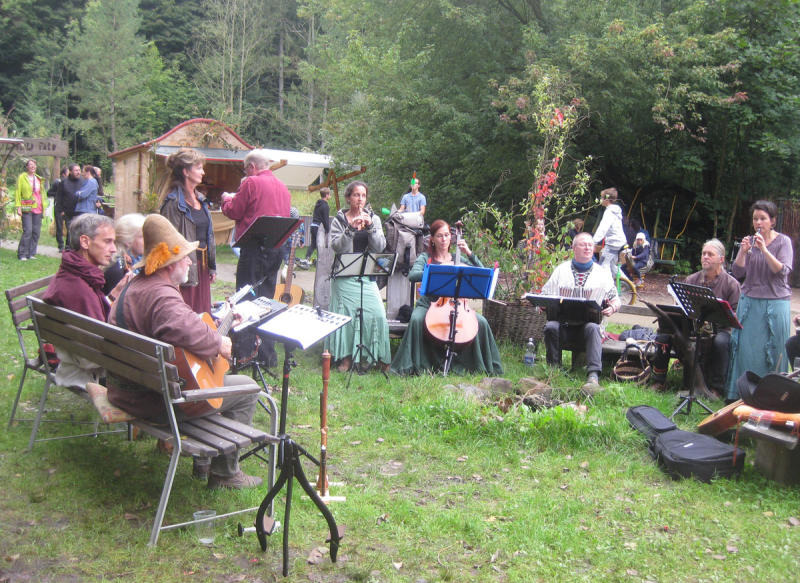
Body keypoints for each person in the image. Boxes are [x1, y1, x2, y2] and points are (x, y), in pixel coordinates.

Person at [107, 214, 262, 490]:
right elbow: (195, 333)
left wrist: (213, 328)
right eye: (185, 257)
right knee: (247, 388)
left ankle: (206, 464)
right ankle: (225, 473)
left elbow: (183, 326)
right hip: (154, 402)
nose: (190, 262)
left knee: (207, 380)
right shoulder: (161, 296)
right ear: (169, 263)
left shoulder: (136, 284)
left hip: (128, 388)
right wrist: (220, 343)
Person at [391, 219, 503, 376]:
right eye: (439, 236)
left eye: (446, 235)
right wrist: (437, 270)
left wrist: (469, 254)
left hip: (457, 303)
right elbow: (412, 275)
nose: (443, 239)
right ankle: (411, 365)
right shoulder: (426, 258)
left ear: (451, 238)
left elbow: (483, 272)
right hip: (429, 304)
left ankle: (483, 365)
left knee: (482, 322)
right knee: (416, 320)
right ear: (433, 239)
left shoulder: (458, 259)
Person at [649, 239, 740, 396]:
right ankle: (659, 380)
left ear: (721, 259)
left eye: (710, 254)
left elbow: (736, 315)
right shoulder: (691, 279)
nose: (705, 257)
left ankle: (716, 388)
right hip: (691, 327)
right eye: (703, 254)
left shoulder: (731, 284)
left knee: (721, 342)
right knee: (664, 335)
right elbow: (679, 307)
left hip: (720, 330)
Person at [727, 200, 793, 401]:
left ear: (772, 221)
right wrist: (743, 251)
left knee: (772, 351)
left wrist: (764, 250)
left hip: (775, 303)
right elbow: (737, 272)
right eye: (755, 218)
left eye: (763, 218)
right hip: (750, 302)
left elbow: (781, 271)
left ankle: (772, 397)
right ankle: (741, 394)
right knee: (745, 351)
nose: (758, 222)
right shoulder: (750, 242)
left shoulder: (783, 242)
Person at [42, 214, 116, 388]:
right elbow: (92, 355)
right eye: (107, 241)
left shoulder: (73, 273)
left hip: (77, 356)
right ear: (85, 242)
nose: (113, 249)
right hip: (90, 364)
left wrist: (113, 297)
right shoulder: (79, 288)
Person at [541, 231, 621, 392]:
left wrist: (612, 308)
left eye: (590, 245)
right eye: (583, 244)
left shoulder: (602, 274)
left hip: (588, 329)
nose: (587, 248)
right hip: (563, 326)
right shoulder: (561, 270)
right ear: (574, 248)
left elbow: (616, 299)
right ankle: (554, 371)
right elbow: (544, 294)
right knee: (550, 326)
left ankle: (593, 376)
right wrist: (542, 304)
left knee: (593, 328)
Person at [327, 181, 391, 373]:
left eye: (363, 195)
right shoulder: (339, 220)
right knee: (347, 316)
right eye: (356, 195)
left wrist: (370, 228)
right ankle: (346, 358)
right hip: (344, 276)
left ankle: (376, 355)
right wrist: (351, 230)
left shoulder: (375, 219)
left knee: (378, 313)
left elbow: (380, 247)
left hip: (367, 275)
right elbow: (338, 247)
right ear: (348, 198)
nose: (360, 199)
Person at [221, 149, 291, 300]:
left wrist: (226, 199)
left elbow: (234, 211)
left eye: (245, 169)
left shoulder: (251, 182)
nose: (245, 173)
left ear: (251, 166)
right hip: (276, 249)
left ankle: (247, 324)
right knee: (266, 295)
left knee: (246, 295)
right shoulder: (283, 187)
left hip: (254, 248)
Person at [160, 148, 217, 314]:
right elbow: (168, 243)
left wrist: (211, 267)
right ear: (185, 172)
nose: (203, 172)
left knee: (203, 315)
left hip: (202, 267)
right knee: (186, 315)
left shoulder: (201, 200)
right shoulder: (173, 203)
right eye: (198, 168)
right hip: (183, 269)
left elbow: (208, 236)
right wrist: (174, 276)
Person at [103, 213, 146, 298]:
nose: (148, 240)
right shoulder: (118, 269)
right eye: (142, 236)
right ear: (128, 240)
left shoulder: (131, 260)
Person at [15, 159, 47, 261]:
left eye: (34, 165)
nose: (33, 167)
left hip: (38, 208)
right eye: (31, 165)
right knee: (28, 230)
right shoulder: (22, 177)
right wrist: (18, 207)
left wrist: (44, 207)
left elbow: (42, 194)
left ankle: (31, 253)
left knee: (36, 232)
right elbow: (17, 192)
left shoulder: (38, 179)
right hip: (27, 206)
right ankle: (22, 254)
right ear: (27, 167)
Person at [592, 187, 626, 275]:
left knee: (603, 265)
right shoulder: (614, 211)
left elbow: (603, 228)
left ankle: (606, 287)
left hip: (613, 243)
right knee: (611, 265)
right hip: (618, 241)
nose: (601, 200)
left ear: (606, 199)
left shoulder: (609, 212)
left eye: (602, 198)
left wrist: (593, 241)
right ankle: (626, 285)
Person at [301, 187, 331, 266]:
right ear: (327, 195)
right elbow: (325, 219)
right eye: (329, 194)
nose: (330, 196)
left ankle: (307, 258)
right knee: (320, 244)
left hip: (313, 226)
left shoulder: (318, 204)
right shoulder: (325, 206)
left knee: (314, 244)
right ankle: (320, 261)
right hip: (318, 227)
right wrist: (327, 229)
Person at [61, 164, 87, 243]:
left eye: (79, 170)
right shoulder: (64, 182)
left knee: (80, 231)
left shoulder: (83, 181)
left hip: (80, 211)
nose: (78, 172)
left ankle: (76, 249)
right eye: (76, 170)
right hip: (68, 211)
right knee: (70, 230)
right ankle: (68, 248)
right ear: (70, 171)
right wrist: (61, 210)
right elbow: (60, 197)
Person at [48, 167, 69, 252]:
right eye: (68, 173)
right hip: (59, 207)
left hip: (68, 208)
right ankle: (61, 245)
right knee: (59, 226)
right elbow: (49, 193)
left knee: (69, 227)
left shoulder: (71, 183)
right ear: (63, 174)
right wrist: (58, 194)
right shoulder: (57, 182)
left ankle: (68, 246)